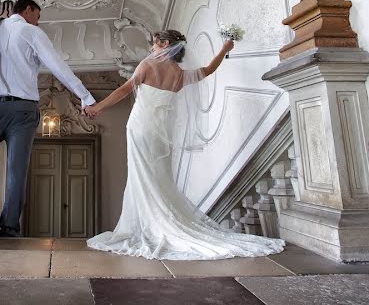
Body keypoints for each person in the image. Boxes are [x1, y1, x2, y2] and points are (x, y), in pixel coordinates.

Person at [84, 30, 285, 260]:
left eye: (154, 44)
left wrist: (96, 108)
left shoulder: (148, 64)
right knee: (159, 178)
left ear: (165, 44)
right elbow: (208, 70)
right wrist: (224, 49)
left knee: (141, 178)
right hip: (161, 133)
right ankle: (157, 224)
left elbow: (124, 90)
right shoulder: (178, 74)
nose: (151, 48)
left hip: (140, 128)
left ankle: (150, 227)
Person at [0, 0, 95, 238]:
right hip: (24, 110)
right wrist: (84, 96)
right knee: (17, 170)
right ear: (28, 10)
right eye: (38, 15)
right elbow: (57, 66)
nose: (38, 20)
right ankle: (10, 227)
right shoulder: (30, 31)